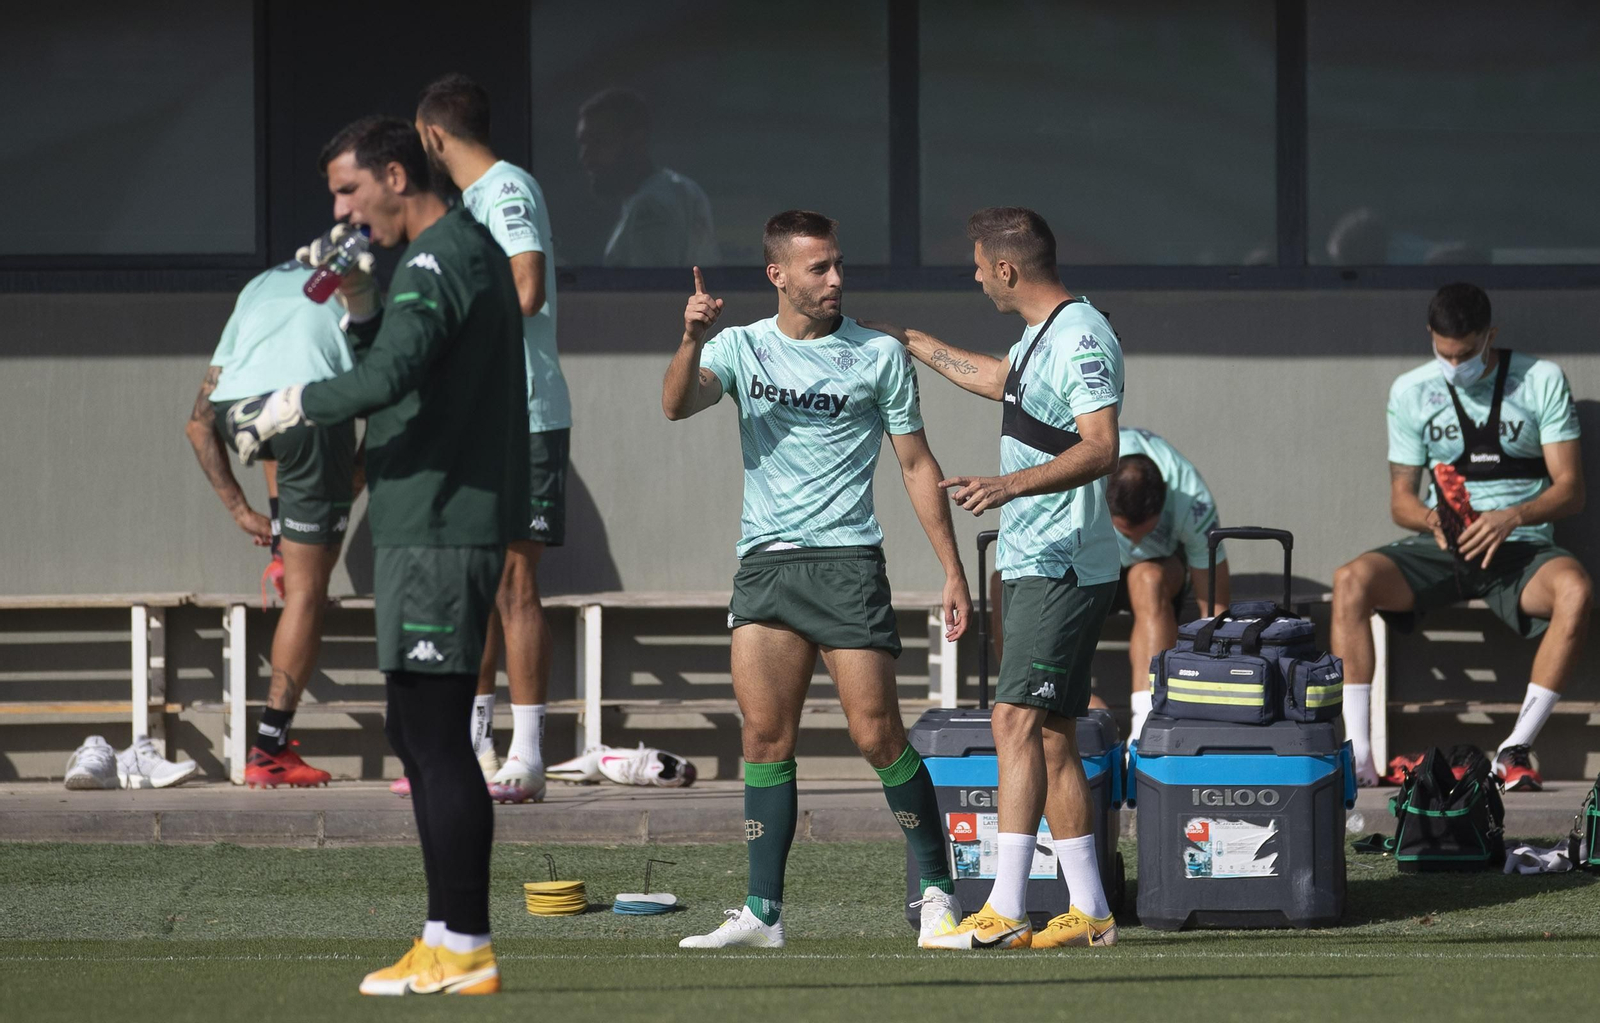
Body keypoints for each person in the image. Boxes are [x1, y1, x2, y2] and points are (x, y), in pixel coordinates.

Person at [226, 115, 526, 995]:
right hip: (417, 516)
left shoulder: (441, 256)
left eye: (348, 191)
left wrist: (289, 403)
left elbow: (385, 382)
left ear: (398, 173)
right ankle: (442, 936)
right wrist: (359, 304)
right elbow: (397, 361)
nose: (342, 212)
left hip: (441, 518)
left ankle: (466, 945)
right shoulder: (435, 260)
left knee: (435, 736)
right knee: (416, 731)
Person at [662, 210, 971, 950]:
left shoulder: (877, 354)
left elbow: (917, 465)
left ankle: (937, 896)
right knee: (765, 737)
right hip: (765, 565)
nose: (836, 279)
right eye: (818, 268)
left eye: (838, 265)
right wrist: (690, 338)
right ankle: (762, 912)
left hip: (847, 563)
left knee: (877, 734)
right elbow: (675, 404)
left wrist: (953, 571)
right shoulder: (737, 347)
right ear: (778, 275)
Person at [870, 206, 1123, 950]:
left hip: (1062, 562)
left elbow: (1102, 445)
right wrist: (912, 342)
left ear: (1008, 270)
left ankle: (1005, 907)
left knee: (1013, 722)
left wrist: (1011, 489)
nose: (977, 275)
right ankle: (1092, 912)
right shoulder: (1042, 335)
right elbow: (1001, 380)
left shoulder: (1080, 334)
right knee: (1049, 737)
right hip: (1040, 560)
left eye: (981, 265)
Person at [1331, 282, 1589, 791]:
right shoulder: (1410, 390)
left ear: (1490, 336)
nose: (1455, 364)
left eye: (1467, 353)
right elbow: (1401, 500)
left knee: (1575, 591)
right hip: (1443, 546)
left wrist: (1511, 516)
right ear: (1430, 336)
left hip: (1522, 546)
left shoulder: (1541, 380)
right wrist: (1436, 521)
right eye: (1444, 353)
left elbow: (1572, 490)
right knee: (1350, 580)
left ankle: (1515, 749)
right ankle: (1358, 759)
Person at [414, 72, 572, 804]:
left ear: (432, 135)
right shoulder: (466, 203)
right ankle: (472, 745)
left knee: (513, 583)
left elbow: (527, 286)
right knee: (475, 586)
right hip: (481, 420)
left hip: (524, 417)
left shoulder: (506, 189)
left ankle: (529, 753)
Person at [186, 259, 362, 788]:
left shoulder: (259, 285)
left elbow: (198, 424)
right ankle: (270, 747)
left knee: (279, 422)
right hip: (310, 409)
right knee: (307, 595)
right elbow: (390, 403)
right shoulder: (355, 285)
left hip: (242, 406)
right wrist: (352, 478)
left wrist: (243, 512)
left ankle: (286, 542)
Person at [1103, 428, 1230, 741]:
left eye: (1145, 533)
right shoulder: (1083, 479)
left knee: (1146, 578)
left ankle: (1149, 727)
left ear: (1165, 506)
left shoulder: (1191, 495)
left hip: (1159, 571)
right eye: (1126, 534)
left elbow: (1213, 606)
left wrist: (1216, 701)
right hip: (1093, 564)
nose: (1134, 543)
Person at [577, 87, 718, 267]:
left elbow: (652, 291)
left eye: (599, 141)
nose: (585, 156)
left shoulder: (651, 205)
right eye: (583, 143)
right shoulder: (681, 188)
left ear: (637, 140)